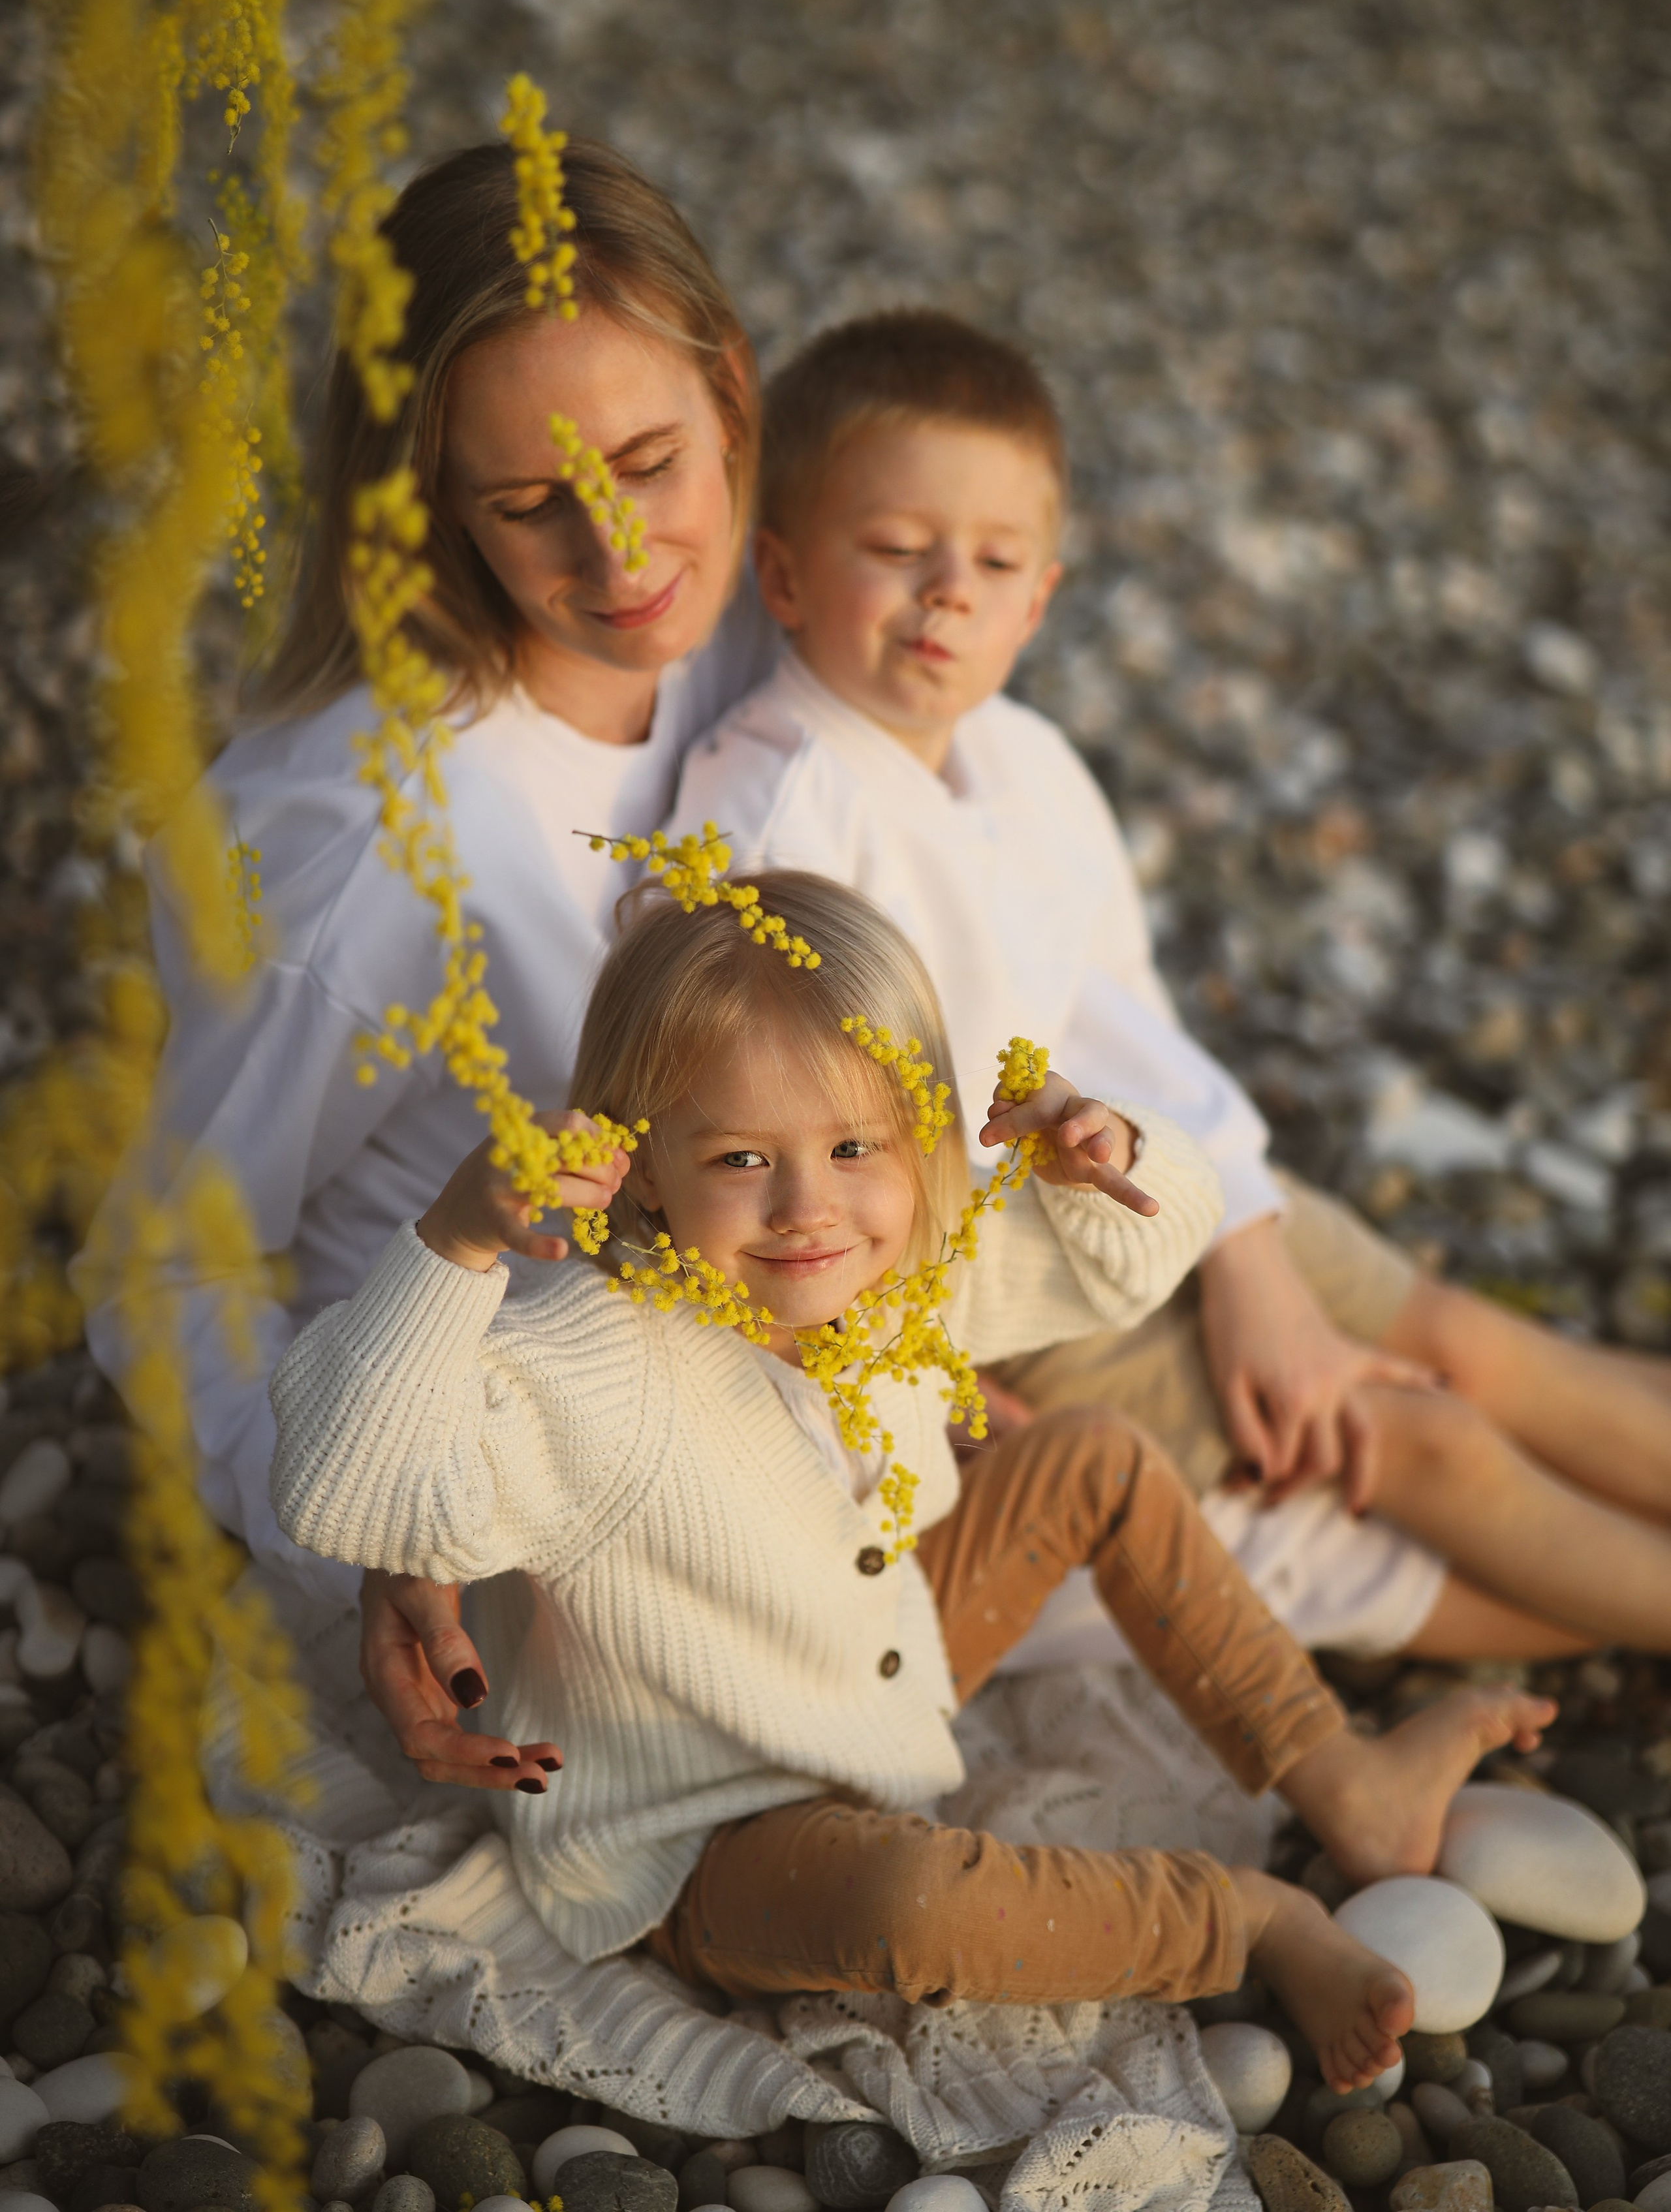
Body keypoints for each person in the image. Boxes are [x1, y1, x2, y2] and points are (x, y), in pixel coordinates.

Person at [267, 869, 1554, 2087]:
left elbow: (1128, 1264)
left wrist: (1102, 1149)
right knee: (909, 1905)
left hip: (875, 1669)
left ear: (916, 1136)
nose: (804, 1212)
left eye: (850, 1149)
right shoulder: (591, 1365)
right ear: (636, 1166)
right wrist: (453, 1244)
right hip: (699, 1829)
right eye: (735, 1160)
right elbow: (343, 1487)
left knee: (1093, 1456)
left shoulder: (899, 1277)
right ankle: (1247, 1918)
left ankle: (1342, 1779)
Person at [663, 307, 1671, 1661]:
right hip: (995, 1294)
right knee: (1400, 1436)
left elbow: (1114, 1014)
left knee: (1472, 1346)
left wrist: (1243, 1244)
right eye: (896, 551)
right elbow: (765, 1148)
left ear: (1042, 596)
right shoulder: (772, 812)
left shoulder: (1024, 763)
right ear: (779, 576)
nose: (947, 589)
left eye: (994, 560)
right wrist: (909, 1381)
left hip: (1155, 1181)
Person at [76, 136, 778, 1791]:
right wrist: (365, 1547)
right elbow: (165, 1274)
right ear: (427, 509)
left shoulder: (736, 631)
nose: (619, 558)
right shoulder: (381, 855)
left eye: (651, 459)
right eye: (531, 507)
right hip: (523, 1504)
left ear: (732, 394)